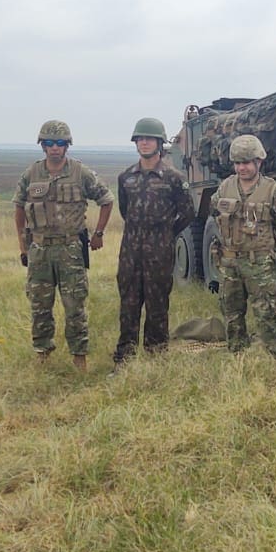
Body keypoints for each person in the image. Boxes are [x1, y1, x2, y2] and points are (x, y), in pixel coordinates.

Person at [12, 120, 113, 370]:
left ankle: (79, 357)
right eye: (49, 143)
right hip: (40, 251)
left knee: (74, 305)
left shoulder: (80, 172)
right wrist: (23, 246)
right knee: (39, 305)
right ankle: (42, 354)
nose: (54, 148)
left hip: (70, 250)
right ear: (43, 146)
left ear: (67, 145)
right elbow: (19, 208)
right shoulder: (31, 174)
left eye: (59, 143)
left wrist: (98, 233)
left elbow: (106, 199)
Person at [112, 117, 196, 374]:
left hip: (159, 254)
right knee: (128, 305)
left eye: (149, 139)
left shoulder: (174, 178)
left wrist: (166, 233)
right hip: (130, 253)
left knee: (157, 306)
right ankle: (124, 360)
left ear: (160, 143)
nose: (144, 143)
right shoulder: (126, 177)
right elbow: (125, 211)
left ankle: (156, 359)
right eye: (140, 139)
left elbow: (188, 212)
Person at [210, 134, 276, 358]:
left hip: (259, 263)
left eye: (246, 162)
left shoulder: (272, 190)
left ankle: (274, 356)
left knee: (267, 311)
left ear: (259, 162)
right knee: (231, 310)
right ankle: (237, 353)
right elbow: (215, 212)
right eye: (237, 163)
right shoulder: (225, 187)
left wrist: (264, 247)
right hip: (230, 261)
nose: (241, 168)